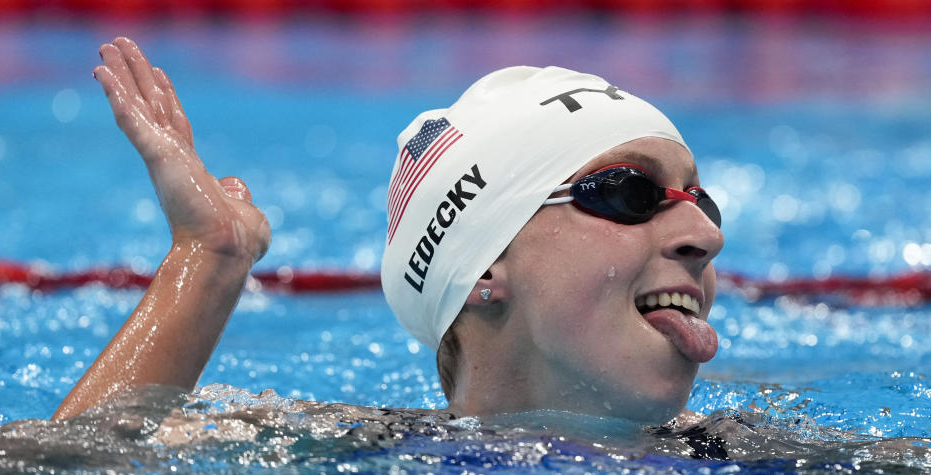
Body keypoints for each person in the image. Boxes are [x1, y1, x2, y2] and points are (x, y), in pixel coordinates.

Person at [53, 37, 723, 430]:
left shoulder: (774, 463)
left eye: (701, 200)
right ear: (485, 265)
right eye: (631, 193)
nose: (703, 234)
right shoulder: (343, 452)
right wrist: (209, 260)